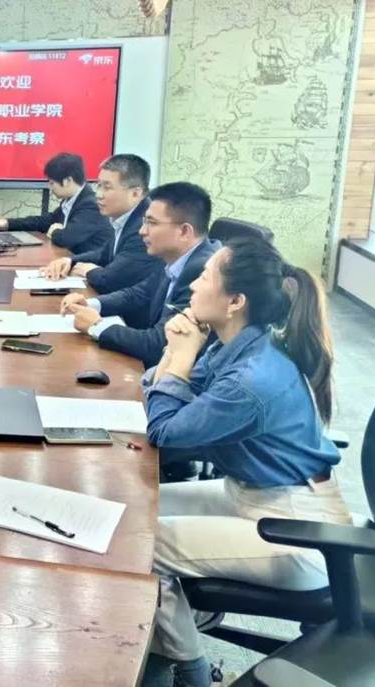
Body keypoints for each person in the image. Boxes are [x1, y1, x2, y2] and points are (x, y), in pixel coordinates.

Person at [140, 237, 349, 687]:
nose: (193, 284)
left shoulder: (251, 380)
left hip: (299, 530)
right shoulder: (235, 344)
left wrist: (179, 357)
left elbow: (165, 431)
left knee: (138, 544)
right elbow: (158, 389)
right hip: (254, 494)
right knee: (138, 510)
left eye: (205, 276)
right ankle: (179, 623)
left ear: (235, 301)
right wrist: (177, 353)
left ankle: (191, 672)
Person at [61, 182, 220, 368]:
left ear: (184, 231)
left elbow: (160, 344)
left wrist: (96, 326)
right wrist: (91, 304)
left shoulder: (203, 272)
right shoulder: (175, 256)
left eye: (152, 223)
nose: (142, 231)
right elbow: (139, 293)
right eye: (144, 221)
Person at [39, 153, 162, 293]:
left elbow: (110, 281)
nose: (98, 194)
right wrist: (70, 261)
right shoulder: (125, 217)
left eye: (107, 188)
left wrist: (88, 271)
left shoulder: (145, 228)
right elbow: (103, 254)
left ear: (136, 193)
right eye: (98, 186)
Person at [0, 152, 110, 253]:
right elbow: (45, 221)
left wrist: (54, 231)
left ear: (68, 181)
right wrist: (8, 223)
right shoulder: (71, 200)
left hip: (89, 267)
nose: (50, 187)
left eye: (52, 183)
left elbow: (66, 238)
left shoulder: (90, 205)